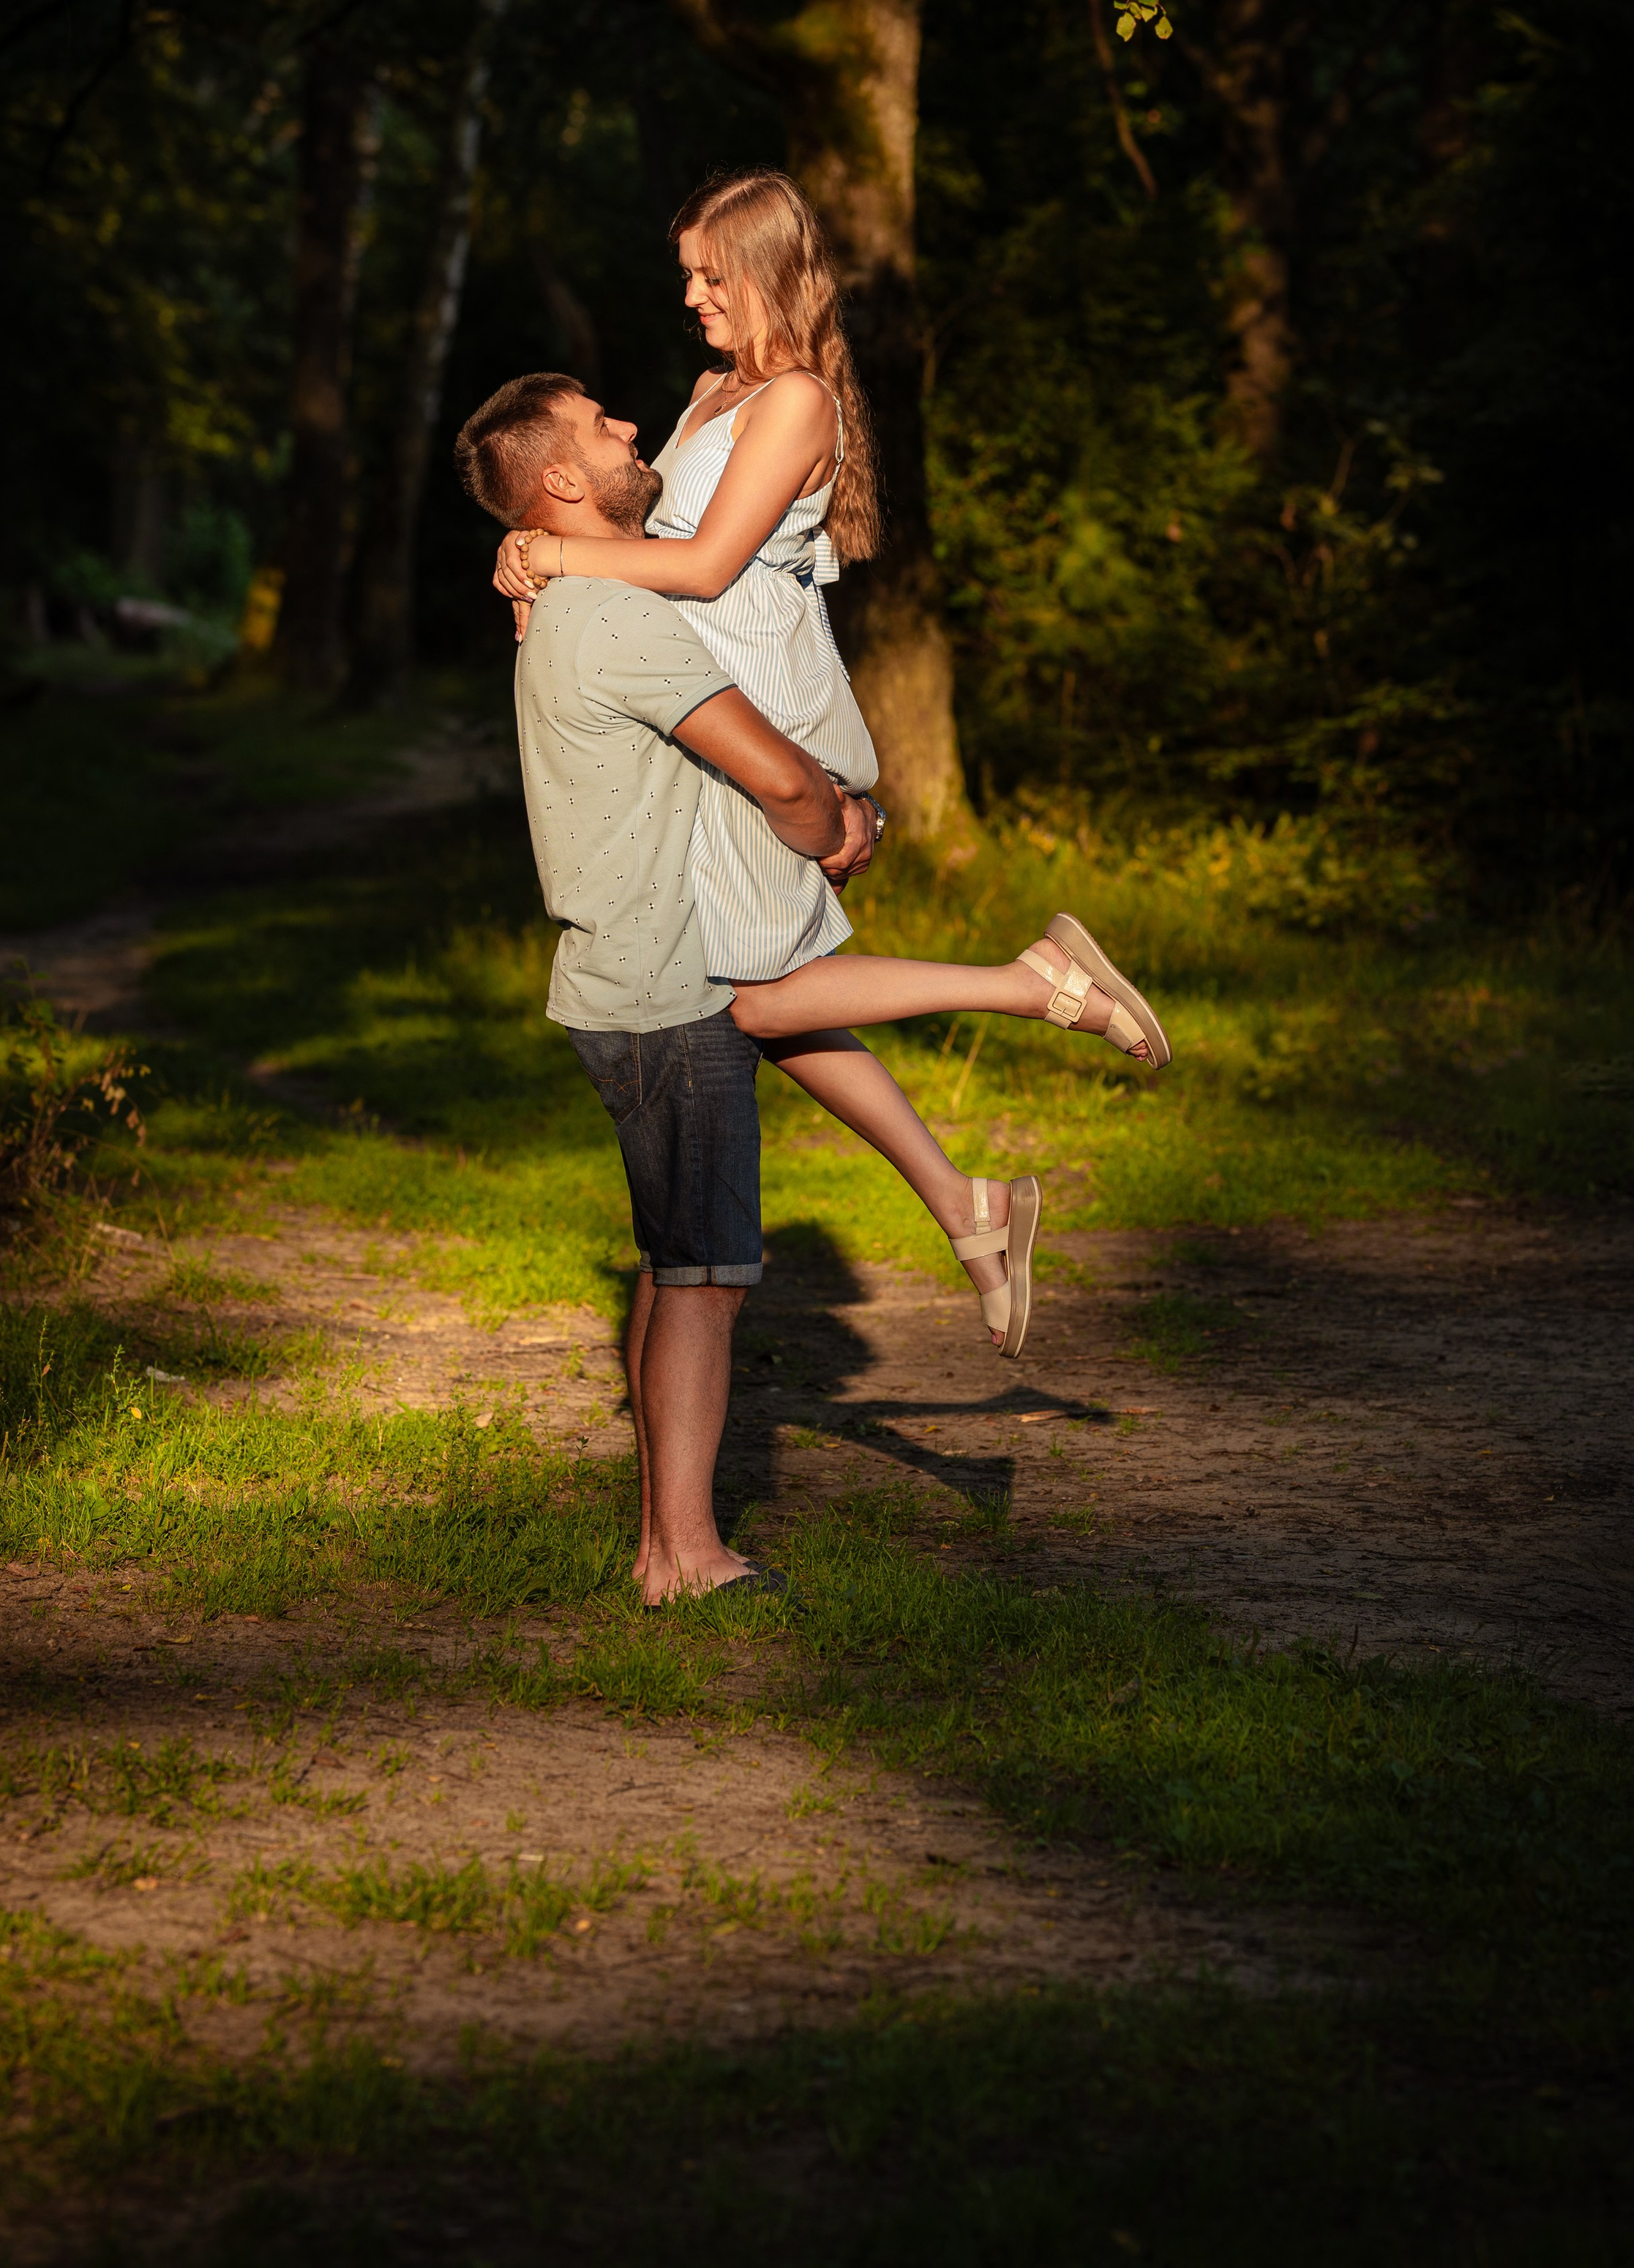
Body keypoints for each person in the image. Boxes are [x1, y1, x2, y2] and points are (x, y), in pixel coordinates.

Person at [457, 373, 1172, 1599]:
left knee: (675, 1265)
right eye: (599, 424)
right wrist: (832, 823)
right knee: (703, 1281)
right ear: (562, 478)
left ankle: (664, 1547)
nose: (627, 426)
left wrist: (532, 551)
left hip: (627, 981)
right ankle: (690, 1552)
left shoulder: (573, 605)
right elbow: (776, 774)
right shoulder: (617, 618)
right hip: (665, 990)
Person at [490, 169, 1169, 1362]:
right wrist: (531, 543)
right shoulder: (713, 392)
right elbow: (635, 534)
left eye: (710, 274)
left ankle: (1030, 984)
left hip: (761, 707)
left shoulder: (796, 399)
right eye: (687, 275)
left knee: (749, 998)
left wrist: (552, 553)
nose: (692, 297)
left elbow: (705, 568)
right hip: (705, 717)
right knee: (758, 998)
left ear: (767, 271)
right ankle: (968, 1204)